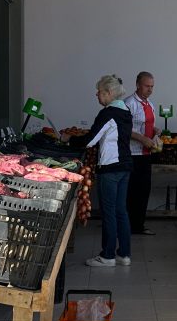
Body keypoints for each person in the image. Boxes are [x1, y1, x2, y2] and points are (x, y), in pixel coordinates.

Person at [65, 75, 133, 267]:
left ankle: (108, 256)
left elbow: (90, 141)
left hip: (110, 169)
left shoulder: (108, 113)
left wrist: (68, 139)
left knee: (109, 212)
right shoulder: (126, 111)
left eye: (100, 91)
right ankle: (124, 254)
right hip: (125, 167)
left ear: (109, 93)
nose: (97, 95)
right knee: (121, 211)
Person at [124, 71, 161, 236]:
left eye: (152, 87)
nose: (150, 90)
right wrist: (141, 138)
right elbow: (124, 128)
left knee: (143, 191)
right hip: (132, 154)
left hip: (146, 154)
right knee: (131, 191)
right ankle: (127, 226)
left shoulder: (150, 104)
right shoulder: (129, 103)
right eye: (147, 86)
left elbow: (147, 124)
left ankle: (139, 225)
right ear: (138, 85)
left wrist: (154, 130)